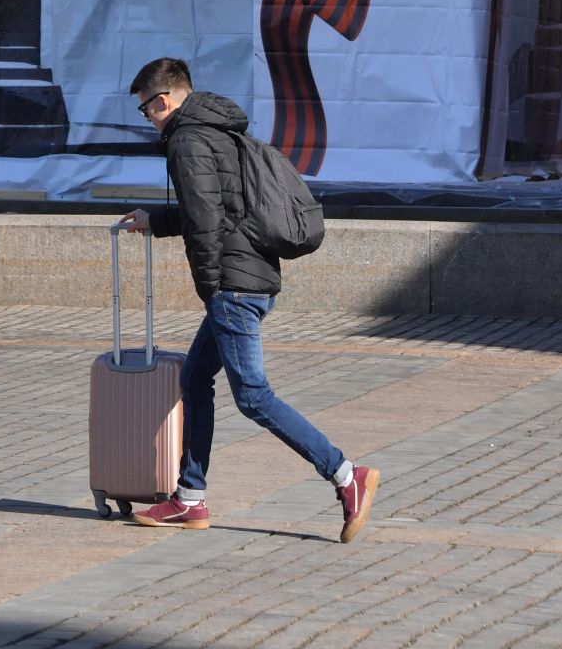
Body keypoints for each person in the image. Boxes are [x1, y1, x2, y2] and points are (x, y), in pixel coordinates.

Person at [120, 56, 379, 544]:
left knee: (254, 397)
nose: (147, 120)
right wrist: (156, 221)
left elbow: (205, 222)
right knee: (194, 378)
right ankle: (189, 499)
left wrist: (214, 289)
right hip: (250, 274)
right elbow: (218, 207)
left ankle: (347, 475)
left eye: (145, 111)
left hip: (234, 287)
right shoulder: (216, 130)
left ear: (164, 100)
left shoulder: (188, 140)